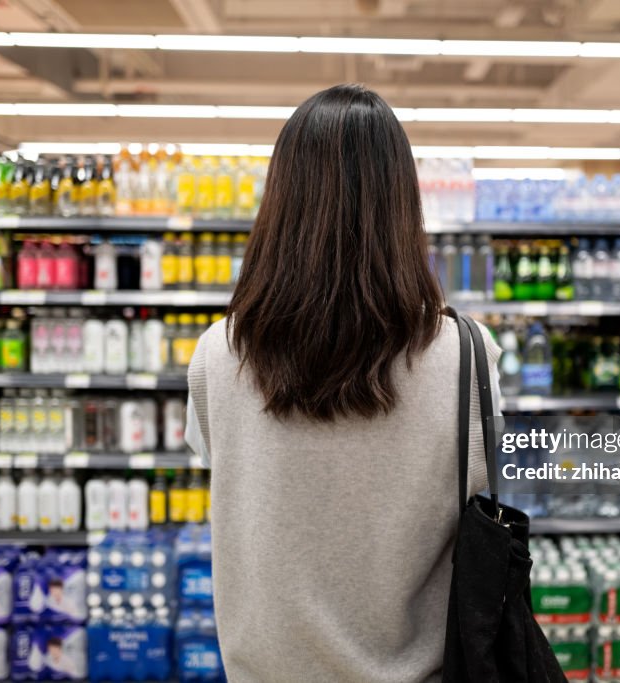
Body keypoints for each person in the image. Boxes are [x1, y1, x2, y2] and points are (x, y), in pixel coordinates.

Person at [185, 84, 501, 683]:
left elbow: (218, 460)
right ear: (404, 204)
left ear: (279, 201)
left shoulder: (216, 354)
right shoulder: (467, 354)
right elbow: (476, 480)